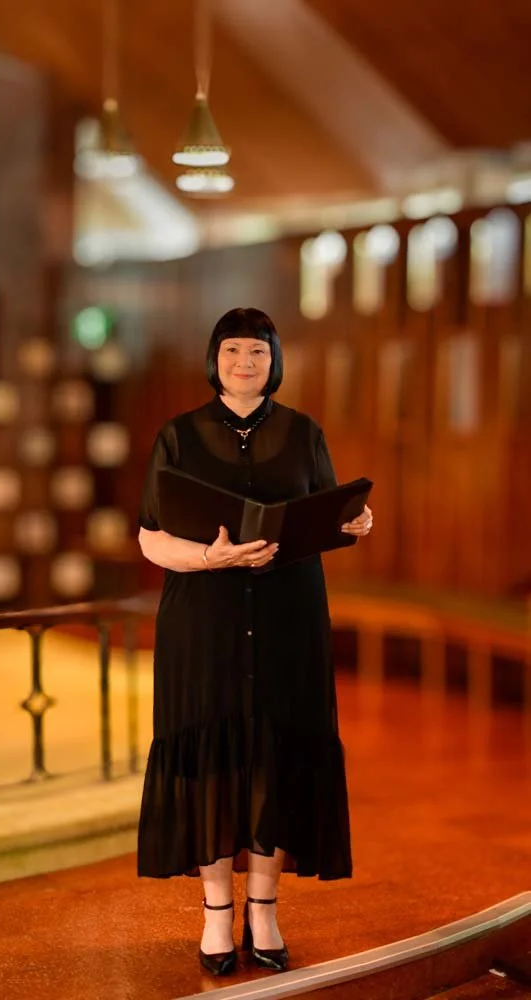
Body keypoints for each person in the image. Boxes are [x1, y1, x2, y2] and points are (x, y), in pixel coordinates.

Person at [137, 307, 373, 976]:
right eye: (233, 351)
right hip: (202, 617)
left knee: (274, 757)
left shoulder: (303, 432)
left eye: (258, 352)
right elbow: (150, 536)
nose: (245, 363)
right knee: (210, 761)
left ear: (275, 361)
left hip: (287, 616)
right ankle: (216, 914)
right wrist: (207, 559)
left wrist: (356, 523)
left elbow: (328, 514)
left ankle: (264, 911)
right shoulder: (177, 434)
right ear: (213, 359)